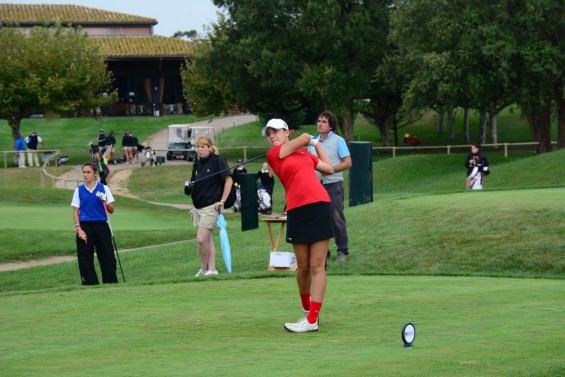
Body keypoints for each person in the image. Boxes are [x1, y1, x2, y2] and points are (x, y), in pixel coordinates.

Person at [262, 118, 334, 333]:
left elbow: (328, 168)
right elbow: (302, 138)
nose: (272, 136)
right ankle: (306, 309)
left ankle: (312, 319)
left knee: (317, 265)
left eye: (276, 131)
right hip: (297, 210)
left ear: (287, 132)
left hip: (320, 205)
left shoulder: (304, 153)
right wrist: (307, 139)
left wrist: (316, 144)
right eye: (269, 133)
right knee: (302, 267)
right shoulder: (274, 155)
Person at [185, 136, 233, 277]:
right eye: (198, 147)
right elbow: (195, 184)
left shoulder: (217, 161)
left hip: (211, 206)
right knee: (207, 239)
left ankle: (204, 269)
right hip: (198, 207)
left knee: (201, 239)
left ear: (210, 148)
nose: (200, 149)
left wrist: (222, 200)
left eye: (203, 146)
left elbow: (228, 180)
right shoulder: (197, 164)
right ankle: (212, 269)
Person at [309, 111, 352, 263]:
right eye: (319, 121)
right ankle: (323, 253)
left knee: (336, 218)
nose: (320, 124)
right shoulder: (312, 142)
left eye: (324, 122)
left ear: (331, 125)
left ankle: (343, 251)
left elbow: (347, 162)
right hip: (316, 186)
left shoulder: (338, 140)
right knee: (319, 219)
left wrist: (331, 169)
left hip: (333, 184)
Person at [71, 161, 118, 285]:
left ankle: (110, 283)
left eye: (88, 172)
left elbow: (111, 210)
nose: (85, 175)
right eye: (84, 172)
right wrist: (78, 229)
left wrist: (106, 200)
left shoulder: (104, 188)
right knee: (85, 258)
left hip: (101, 226)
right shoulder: (79, 191)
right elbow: (76, 211)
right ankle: (90, 284)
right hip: (85, 227)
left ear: (95, 173)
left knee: (107, 257)